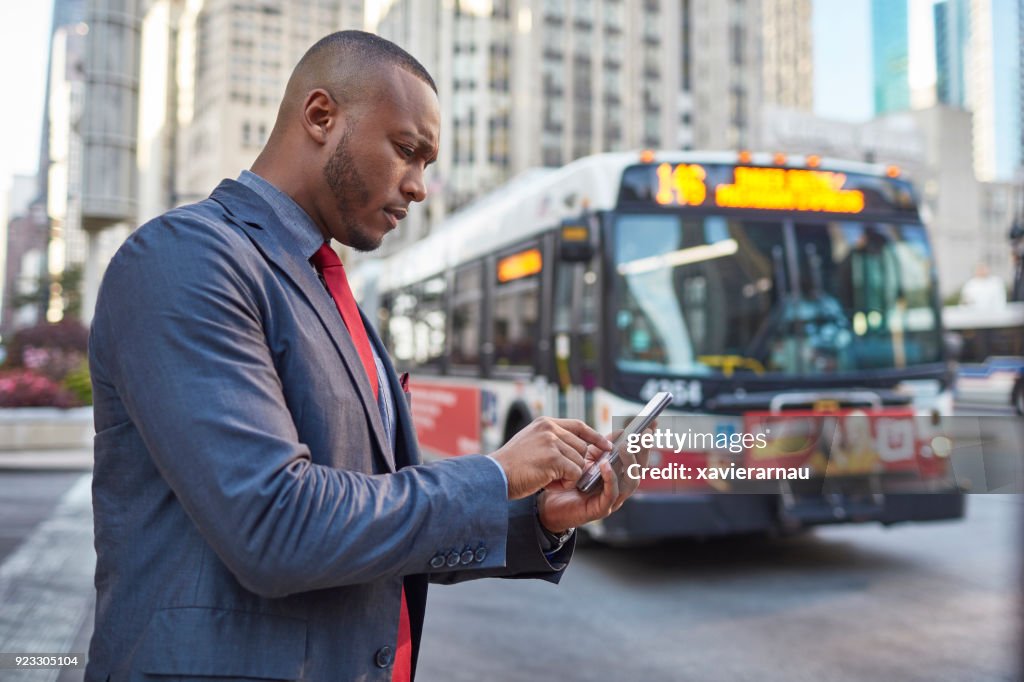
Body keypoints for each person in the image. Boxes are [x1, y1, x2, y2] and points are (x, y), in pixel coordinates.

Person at [85, 31, 649, 681]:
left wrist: (536, 516)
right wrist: (493, 478)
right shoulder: (187, 260)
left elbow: (373, 513)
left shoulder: (333, 295)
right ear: (321, 116)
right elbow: (276, 525)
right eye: (408, 151)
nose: (419, 188)